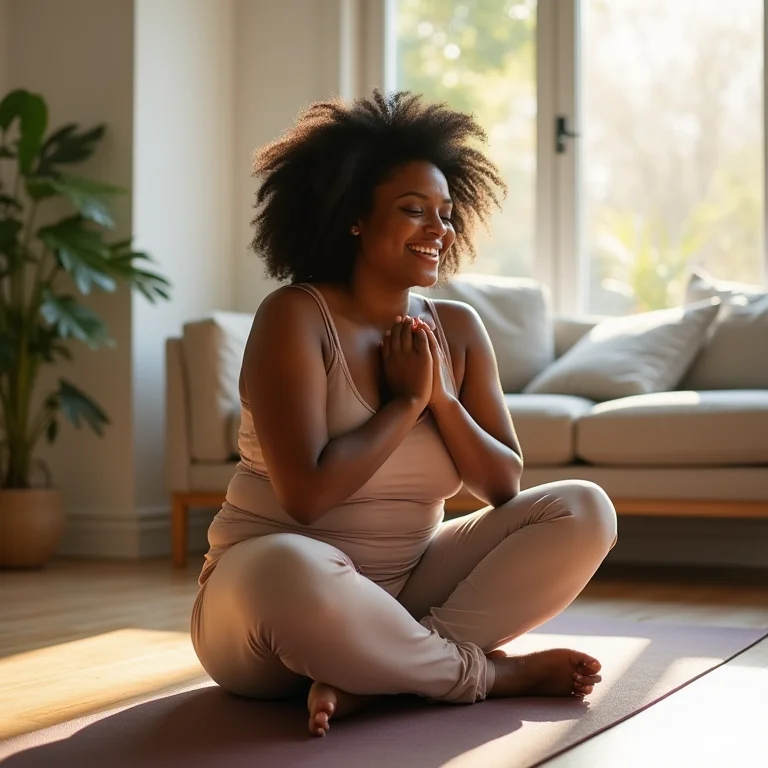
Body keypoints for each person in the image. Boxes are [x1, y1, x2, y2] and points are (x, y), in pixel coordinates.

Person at [190, 90, 618, 738]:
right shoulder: (296, 318)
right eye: (414, 210)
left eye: (446, 214)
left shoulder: (459, 329)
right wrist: (406, 404)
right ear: (354, 217)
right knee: (296, 565)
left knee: (586, 508)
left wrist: (441, 397)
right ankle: (478, 675)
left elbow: (502, 485)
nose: (439, 231)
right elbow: (306, 498)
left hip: (406, 590)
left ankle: (385, 671)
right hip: (265, 606)